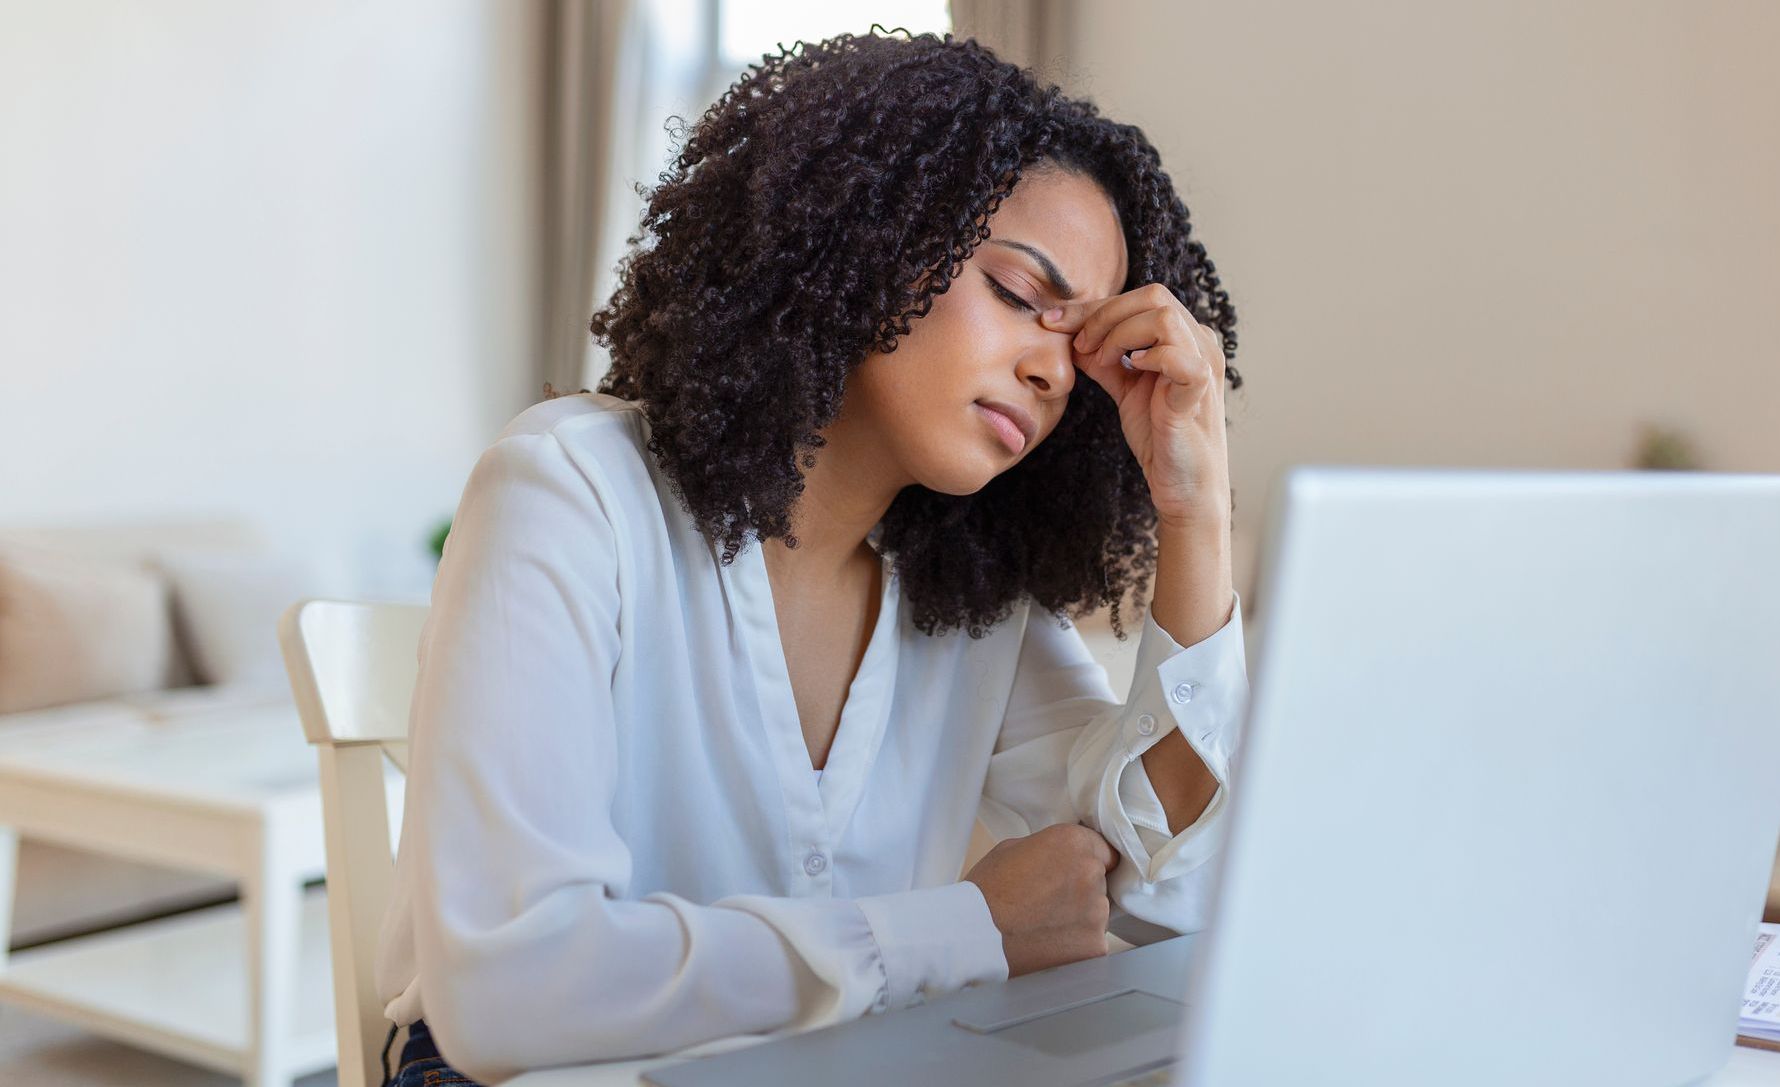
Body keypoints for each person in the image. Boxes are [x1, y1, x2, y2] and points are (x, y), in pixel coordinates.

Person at [380, 28, 1250, 1087]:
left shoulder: (968, 592)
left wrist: (1194, 514)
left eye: (1076, 346)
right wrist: (964, 930)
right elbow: (508, 995)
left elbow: (1157, 886)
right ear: (866, 232)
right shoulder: (570, 492)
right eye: (1019, 295)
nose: (1049, 370)